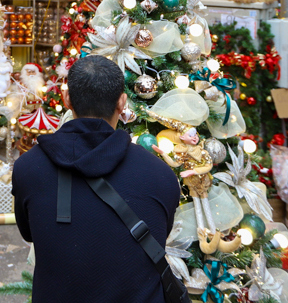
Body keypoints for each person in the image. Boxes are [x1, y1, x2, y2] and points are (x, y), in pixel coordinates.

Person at [11, 55, 181, 303]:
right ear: (122, 103)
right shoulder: (161, 174)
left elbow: (29, 233)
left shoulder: (28, 168)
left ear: (67, 99)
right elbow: (158, 235)